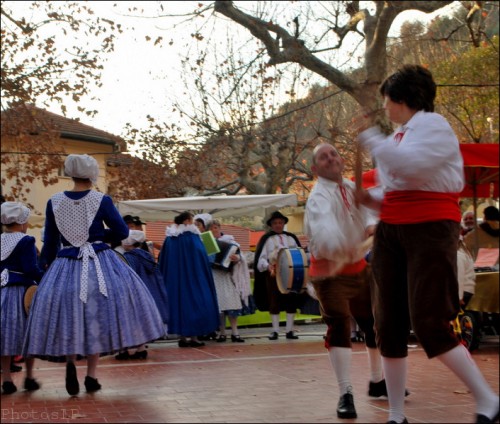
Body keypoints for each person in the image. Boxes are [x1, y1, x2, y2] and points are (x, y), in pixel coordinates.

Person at [356, 64, 499, 424]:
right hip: (392, 227)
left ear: (401, 99)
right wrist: (364, 198)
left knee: (430, 319)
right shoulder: (399, 136)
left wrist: (371, 138)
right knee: (386, 321)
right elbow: (392, 189)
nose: (385, 108)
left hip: (430, 227)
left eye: (387, 100)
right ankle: (396, 413)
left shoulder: (434, 126)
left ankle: (488, 400)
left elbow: (414, 168)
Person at [23, 154, 166, 396]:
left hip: (65, 263)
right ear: (91, 174)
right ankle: (91, 376)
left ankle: (70, 360)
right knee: (96, 314)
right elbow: (121, 232)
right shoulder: (102, 200)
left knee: (69, 314)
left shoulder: (54, 201)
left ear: (70, 173)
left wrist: (44, 268)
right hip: (98, 262)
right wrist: (97, 239)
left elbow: (50, 243)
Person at [304, 143, 401, 419]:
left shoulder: (351, 187)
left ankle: (377, 381)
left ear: (342, 159)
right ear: (315, 169)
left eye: (333, 153)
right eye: (323, 157)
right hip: (329, 271)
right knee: (339, 327)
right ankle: (345, 392)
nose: (330, 158)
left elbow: (368, 214)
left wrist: (371, 226)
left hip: (358, 266)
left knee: (373, 323)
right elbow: (324, 230)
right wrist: (340, 246)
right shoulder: (318, 198)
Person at [158, 211, 219, 348]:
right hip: (195, 277)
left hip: (176, 279)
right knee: (196, 303)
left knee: (179, 304)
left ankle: (183, 336)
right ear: (186, 221)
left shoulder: (170, 238)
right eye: (192, 221)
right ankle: (194, 337)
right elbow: (203, 255)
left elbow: (164, 258)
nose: (194, 224)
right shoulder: (193, 237)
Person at [1, 202, 44, 395]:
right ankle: (28, 377)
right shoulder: (26, 241)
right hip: (20, 293)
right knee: (27, 334)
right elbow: (31, 269)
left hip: (2, 291)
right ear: (21, 221)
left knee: (4, 335)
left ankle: (7, 379)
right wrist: (45, 278)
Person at [115, 230, 170, 360]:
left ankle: (124, 350)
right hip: (147, 294)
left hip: (132, 295)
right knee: (141, 322)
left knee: (127, 321)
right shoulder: (148, 256)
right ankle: (141, 349)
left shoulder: (128, 258)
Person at [253, 210, 305, 340]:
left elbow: (298, 253)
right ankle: (275, 330)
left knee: (291, 300)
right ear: (271, 225)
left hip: (291, 274)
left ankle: (289, 330)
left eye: (280, 222)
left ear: (283, 223)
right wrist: (268, 266)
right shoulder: (267, 239)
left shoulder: (291, 238)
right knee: (273, 300)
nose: (278, 225)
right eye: (275, 223)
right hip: (273, 274)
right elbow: (261, 258)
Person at [209, 218, 251, 343]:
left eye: (215, 228)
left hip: (228, 276)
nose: (213, 230)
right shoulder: (206, 242)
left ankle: (235, 332)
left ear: (219, 228)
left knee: (232, 304)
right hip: (214, 275)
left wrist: (236, 257)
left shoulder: (230, 241)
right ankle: (222, 333)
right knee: (220, 306)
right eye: (210, 228)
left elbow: (240, 256)